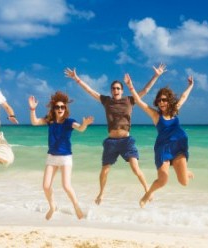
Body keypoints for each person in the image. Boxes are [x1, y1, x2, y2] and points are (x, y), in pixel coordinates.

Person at [64, 64, 166, 205]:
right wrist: (76, 78)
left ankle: (147, 190)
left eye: (118, 88)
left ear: (122, 90)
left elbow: (145, 90)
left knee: (135, 169)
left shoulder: (130, 100)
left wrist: (156, 75)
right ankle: (101, 193)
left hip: (126, 141)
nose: (116, 90)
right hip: (111, 142)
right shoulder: (107, 101)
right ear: (111, 91)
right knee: (105, 170)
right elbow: (90, 91)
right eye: (113, 88)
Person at [124, 73, 194, 208]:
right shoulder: (156, 115)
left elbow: (184, 97)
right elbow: (139, 102)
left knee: (184, 182)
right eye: (159, 100)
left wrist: (190, 86)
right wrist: (130, 86)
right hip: (163, 148)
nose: (161, 102)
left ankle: (185, 172)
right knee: (163, 180)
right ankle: (147, 194)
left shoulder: (175, 111)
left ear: (169, 101)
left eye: (164, 100)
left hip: (179, 145)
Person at [28, 92, 94, 220]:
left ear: (65, 109)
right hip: (52, 157)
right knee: (46, 186)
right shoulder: (50, 120)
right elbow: (35, 122)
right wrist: (32, 109)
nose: (60, 109)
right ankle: (53, 206)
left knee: (66, 186)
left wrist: (85, 124)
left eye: (62, 107)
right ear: (54, 109)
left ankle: (77, 208)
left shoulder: (69, 122)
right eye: (57, 107)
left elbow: (80, 128)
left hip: (65, 158)